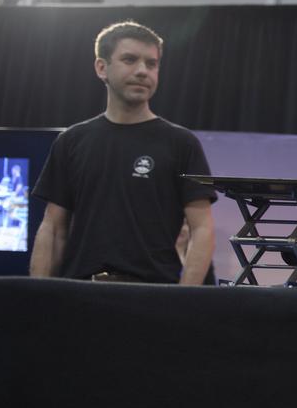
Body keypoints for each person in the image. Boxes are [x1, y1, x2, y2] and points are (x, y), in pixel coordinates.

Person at [30, 21, 217, 284]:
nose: (142, 71)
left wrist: (185, 298)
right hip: (80, 293)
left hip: (152, 295)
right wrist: (38, 295)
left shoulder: (181, 143)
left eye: (151, 64)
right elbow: (52, 229)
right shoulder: (71, 141)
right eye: (130, 60)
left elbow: (202, 229)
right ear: (101, 68)